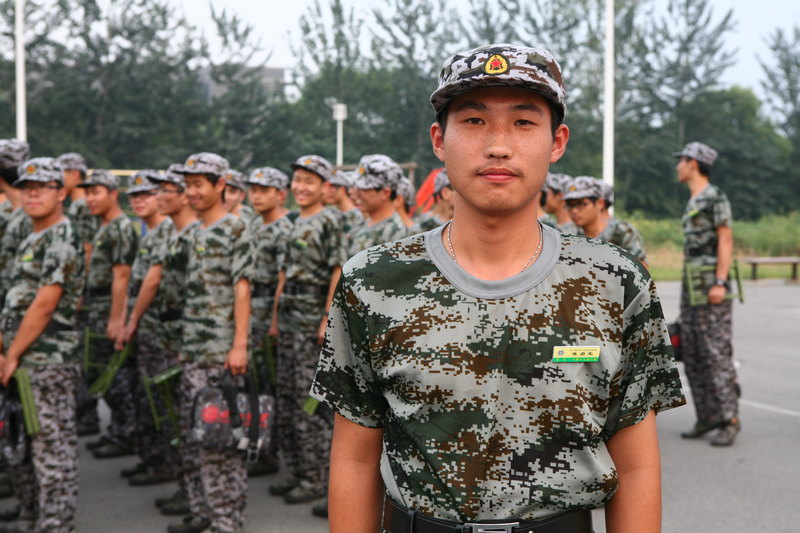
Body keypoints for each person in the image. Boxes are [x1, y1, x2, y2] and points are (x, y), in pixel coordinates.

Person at [310, 43, 685, 533]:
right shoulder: (372, 281)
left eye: (524, 122)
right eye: (474, 121)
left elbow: (636, 467)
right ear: (439, 140)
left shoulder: (615, 282)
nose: (498, 146)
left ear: (557, 142)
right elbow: (355, 459)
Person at [170, 153, 254, 533]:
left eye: (198, 184)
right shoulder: (195, 232)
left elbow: (242, 289)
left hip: (220, 353)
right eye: (187, 185)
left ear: (221, 184)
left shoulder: (236, 228)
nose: (191, 192)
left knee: (220, 443)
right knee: (195, 438)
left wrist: (239, 345)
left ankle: (226, 522)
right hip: (194, 352)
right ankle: (203, 513)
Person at [0, 157, 85, 533]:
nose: (31, 195)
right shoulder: (32, 237)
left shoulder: (62, 238)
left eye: (41, 188)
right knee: (21, 444)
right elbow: (14, 301)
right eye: (26, 188)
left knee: (52, 448)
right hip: (21, 356)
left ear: (61, 193)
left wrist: (11, 353)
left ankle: (55, 523)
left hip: (47, 358)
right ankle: (31, 515)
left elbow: (45, 304)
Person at [267, 155, 346, 508]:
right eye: (297, 180)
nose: (300, 187)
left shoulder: (330, 220)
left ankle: (316, 478)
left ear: (325, 187)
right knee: (287, 399)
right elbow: (283, 274)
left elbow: (338, 269)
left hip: (312, 318)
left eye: (308, 181)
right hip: (289, 321)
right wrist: (274, 319)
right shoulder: (292, 221)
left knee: (309, 405)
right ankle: (299, 471)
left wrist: (327, 317)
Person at [134, 165, 199, 517]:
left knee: (189, 419)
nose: (158, 196)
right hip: (169, 334)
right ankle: (185, 488)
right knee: (175, 415)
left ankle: (195, 495)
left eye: (165, 191)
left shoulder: (195, 234)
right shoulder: (173, 233)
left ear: (184, 197)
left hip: (187, 337)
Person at [673, 142, 740, 446]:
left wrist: (720, 282)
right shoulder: (694, 198)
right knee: (692, 348)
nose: (678, 166)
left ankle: (730, 418)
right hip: (692, 278)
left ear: (694, 163)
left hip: (710, 277)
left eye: (681, 160)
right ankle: (708, 415)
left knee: (715, 349)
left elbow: (725, 239)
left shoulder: (715, 196)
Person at [113, 170, 178, 486]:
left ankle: (164, 464)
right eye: (133, 196)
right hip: (148, 330)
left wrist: (132, 320)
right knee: (146, 396)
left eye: (146, 194)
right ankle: (152, 458)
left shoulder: (166, 230)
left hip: (159, 330)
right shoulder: (150, 232)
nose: (138, 201)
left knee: (160, 399)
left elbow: (152, 282)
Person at [79, 169, 139, 459]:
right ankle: (117, 431)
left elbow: (122, 276)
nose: (90, 198)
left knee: (116, 377)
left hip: (109, 309)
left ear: (113, 194)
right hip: (98, 306)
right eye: (87, 193)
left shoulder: (121, 227)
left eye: (96, 192)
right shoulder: (104, 226)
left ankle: (126, 434)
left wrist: (117, 319)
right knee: (102, 374)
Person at [244, 167, 293, 479]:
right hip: (250, 312)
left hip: (267, 316)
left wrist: (274, 321)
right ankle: (260, 448)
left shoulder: (283, 229)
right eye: (253, 190)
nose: (257, 195)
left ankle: (271, 451)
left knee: (270, 386)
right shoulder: (253, 224)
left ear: (281, 194)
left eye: (264, 190)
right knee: (254, 386)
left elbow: (282, 278)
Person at [56, 152, 103, 437]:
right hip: (85, 291)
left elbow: (85, 249)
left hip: (84, 293)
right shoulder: (78, 205)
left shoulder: (82, 206)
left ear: (75, 174)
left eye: (62, 171)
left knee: (84, 353)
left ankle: (87, 415)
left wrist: (78, 290)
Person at [564, 176, 648, 268]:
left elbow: (640, 269)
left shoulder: (620, 232)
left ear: (600, 203)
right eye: (570, 205)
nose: (574, 211)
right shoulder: (570, 235)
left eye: (581, 204)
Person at [347, 154, 409, 258]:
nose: (356, 193)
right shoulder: (363, 224)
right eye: (357, 187)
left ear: (385, 193)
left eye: (364, 188)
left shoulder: (395, 232)